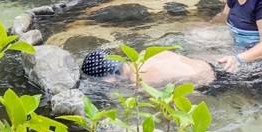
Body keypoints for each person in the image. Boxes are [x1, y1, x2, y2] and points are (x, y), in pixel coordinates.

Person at [80, 48, 217, 87]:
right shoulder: (145, 53)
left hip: (210, 85)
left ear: (110, 79)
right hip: (212, 66)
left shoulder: (140, 83)